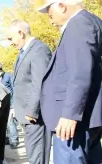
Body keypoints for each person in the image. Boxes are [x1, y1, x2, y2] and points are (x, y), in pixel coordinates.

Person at [38, 1, 102, 163]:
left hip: (72, 122)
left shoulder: (78, 24)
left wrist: (70, 114)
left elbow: (80, 72)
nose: (51, 21)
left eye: (51, 15)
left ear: (62, 6)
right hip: (86, 117)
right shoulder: (92, 21)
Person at [6, 19, 52, 164]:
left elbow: (39, 82)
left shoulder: (39, 50)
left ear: (21, 33)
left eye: (11, 38)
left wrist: (32, 110)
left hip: (34, 116)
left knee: (37, 157)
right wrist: (15, 107)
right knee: (33, 155)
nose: (11, 42)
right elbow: (21, 84)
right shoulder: (23, 52)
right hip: (26, 115)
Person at [0, 61, 19, 149]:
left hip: (9, 104)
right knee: (3, 123)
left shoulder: (8, 76)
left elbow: (14, 90)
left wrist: (14, 106)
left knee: (10, 123)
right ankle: (6, 138)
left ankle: (14, 141)